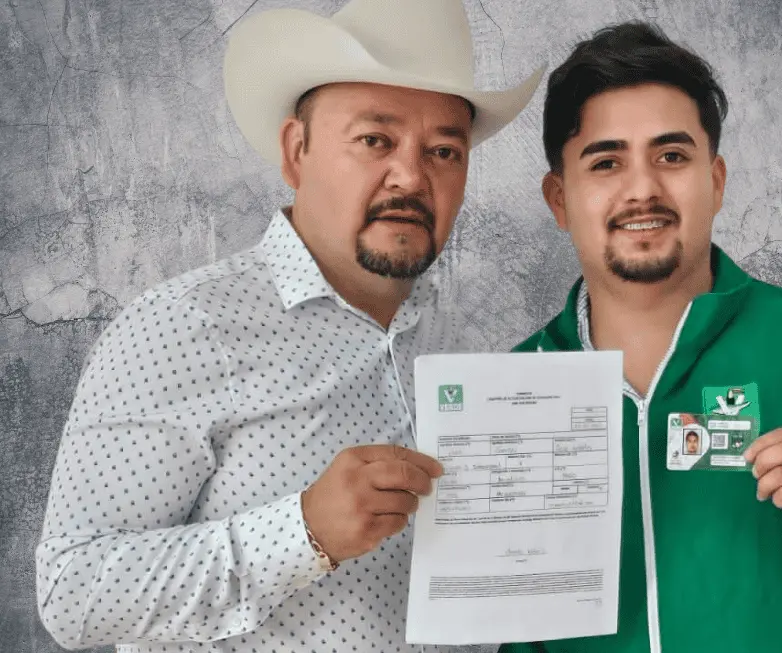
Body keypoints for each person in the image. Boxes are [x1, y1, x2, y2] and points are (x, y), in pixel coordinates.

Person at [34, 1, 542, 651]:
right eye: (375, 140)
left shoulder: (482, 337)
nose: (413, 176)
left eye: (444, 150)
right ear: (296, 151)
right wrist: (303, 533)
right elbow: (72, 594)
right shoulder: (180, 329)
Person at [501, 21, 782, 653]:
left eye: (672, 156)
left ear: (718, 180)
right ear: (559, 198)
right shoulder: (513, 388)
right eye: (606, 162)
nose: (643, 188)